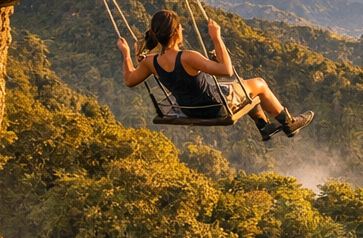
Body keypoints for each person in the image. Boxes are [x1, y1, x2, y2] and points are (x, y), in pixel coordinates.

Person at [118, 9, 312, 140]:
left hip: (188, 109)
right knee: (259, 84)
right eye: (181, 27)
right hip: (216, 107)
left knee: (243, 87)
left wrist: (126, 55)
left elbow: (130, 80)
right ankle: (289, 123)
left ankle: (264, 126)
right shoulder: (188, 57)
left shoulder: (150, 62)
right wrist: (216, 38)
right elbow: (226, 70)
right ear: (176, 32)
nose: (183, 29)